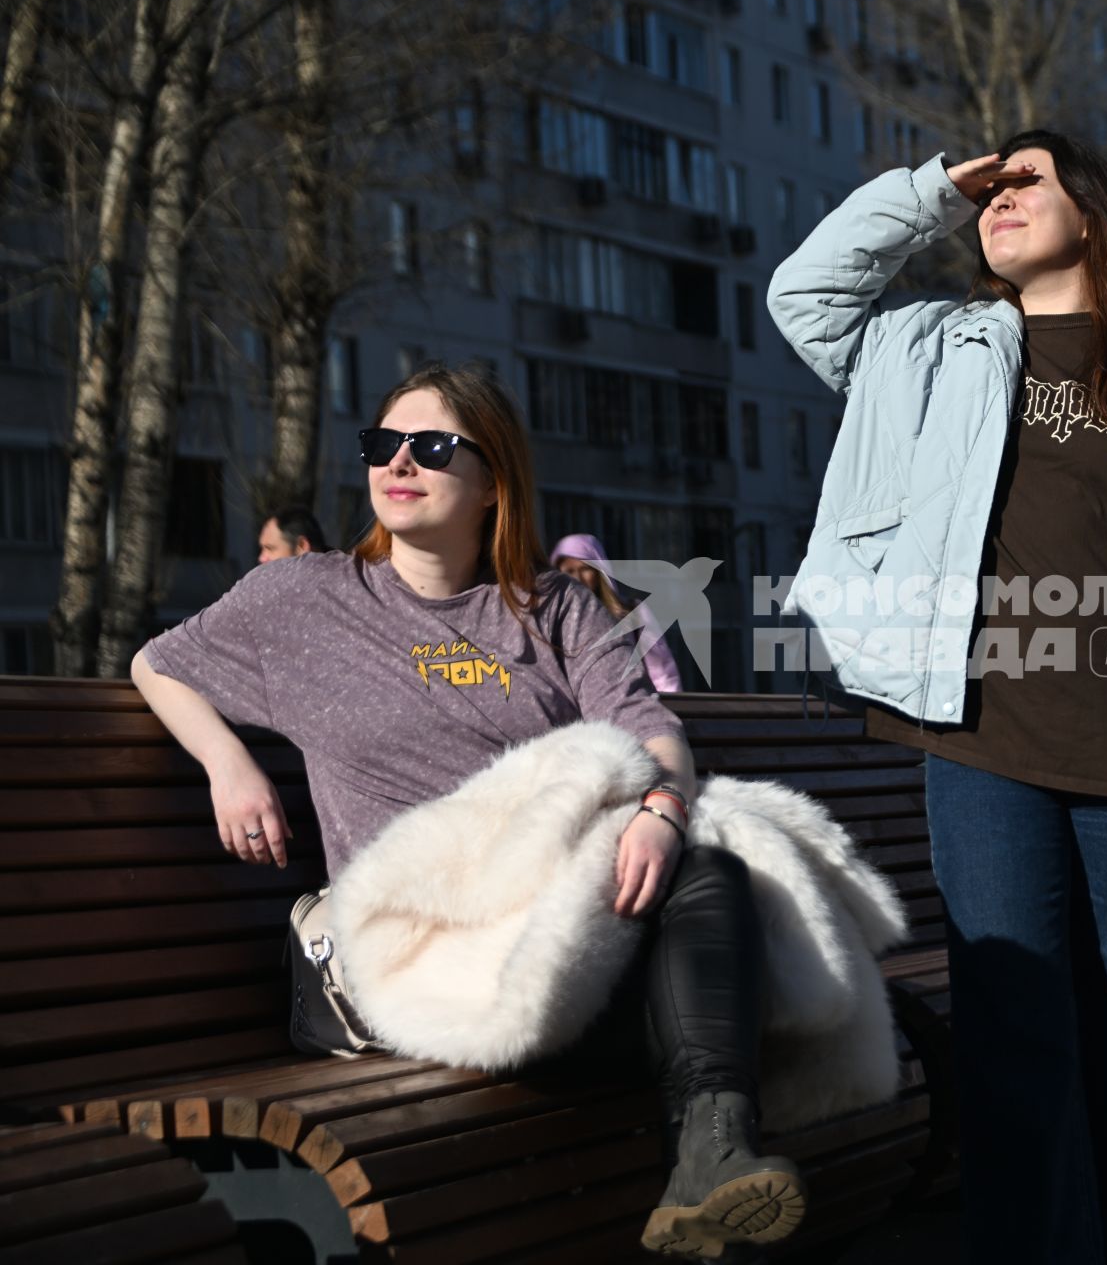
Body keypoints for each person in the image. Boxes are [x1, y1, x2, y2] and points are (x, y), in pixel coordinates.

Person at [129, 364, 803, 1257]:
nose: (399, 463)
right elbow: (158, 661)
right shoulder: (302, 598)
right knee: (716, 1007)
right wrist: (228, 763)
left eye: (434, 447)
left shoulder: (554, 607)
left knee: (707, 868)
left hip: (554, 920)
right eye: (383, 445)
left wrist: (662, 809)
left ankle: (711, 1161)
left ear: (494, 483)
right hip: (423, 944)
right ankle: (706, 1160)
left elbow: (653, 731)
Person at [772, 132, 1107, 1263]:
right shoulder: (924, 347)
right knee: (1014, 1040)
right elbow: (807, 289)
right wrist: (937, 189)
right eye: (993, 187)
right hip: (980, 737)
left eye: (1030, 179)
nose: (1004, 198)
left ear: (1097, 209)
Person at [549, 532, 683, 693]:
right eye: (569, 571)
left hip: (626, 708)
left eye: (585, 569)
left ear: (600, 572)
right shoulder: (549, 620)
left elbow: (662, 672)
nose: (578, 578)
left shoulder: (633, 613)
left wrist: (671, 709)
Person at [257, 507, 330, 563]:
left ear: (302, 546)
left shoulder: (336, 580)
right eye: (262, 549)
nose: (261, 558)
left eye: (270, 548)